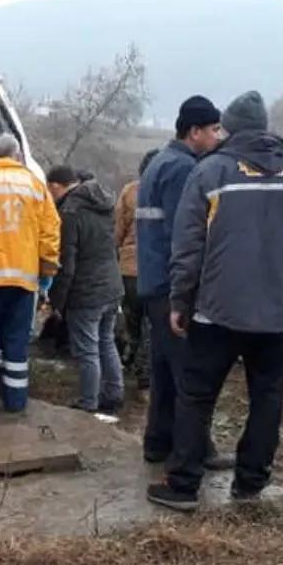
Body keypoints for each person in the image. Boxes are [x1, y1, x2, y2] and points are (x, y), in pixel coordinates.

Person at [149, 90, 283, 512]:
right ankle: (250, 483)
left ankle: (184, 485)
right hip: (282, 313)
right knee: (267, 398)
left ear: (228, 128)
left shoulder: (211, 173)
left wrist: (180, 300)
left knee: (197, 396)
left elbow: (188, 245)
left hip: (218, 311)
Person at [135, 95, 228, 467]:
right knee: (188, 372)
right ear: (194, 131)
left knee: (163, 370)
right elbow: (185, 233)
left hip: (152, 281)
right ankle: (196, 450)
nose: (218, 136)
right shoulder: (183, 169)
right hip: (170, 285)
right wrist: (186, 290)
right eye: (213, 129)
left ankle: (158, 442)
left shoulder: (160, 162)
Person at [0, 133, 61, 411]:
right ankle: (15, 404)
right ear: (17, 156)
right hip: (23, 281)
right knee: (16, 345)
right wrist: (47, 272)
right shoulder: (34, 185)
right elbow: (50, 233)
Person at [46, 165, 126, 413]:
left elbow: (67, 263)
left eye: (51, 190)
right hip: (112, 284)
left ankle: (88, 402)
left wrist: (56, 300)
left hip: (86, 290)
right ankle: (114, 392)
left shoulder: (70, 212)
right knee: (106, 341)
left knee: (87, 349)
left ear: (57, 186)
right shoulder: (103, 203)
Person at [115, 148, 160, 394]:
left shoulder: (130, 191)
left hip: (129, 268)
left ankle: (132, 357)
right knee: (151, 324)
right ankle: (145, 372)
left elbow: (117, 230)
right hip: (156, 269)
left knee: (133, 318)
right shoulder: (172, 190)